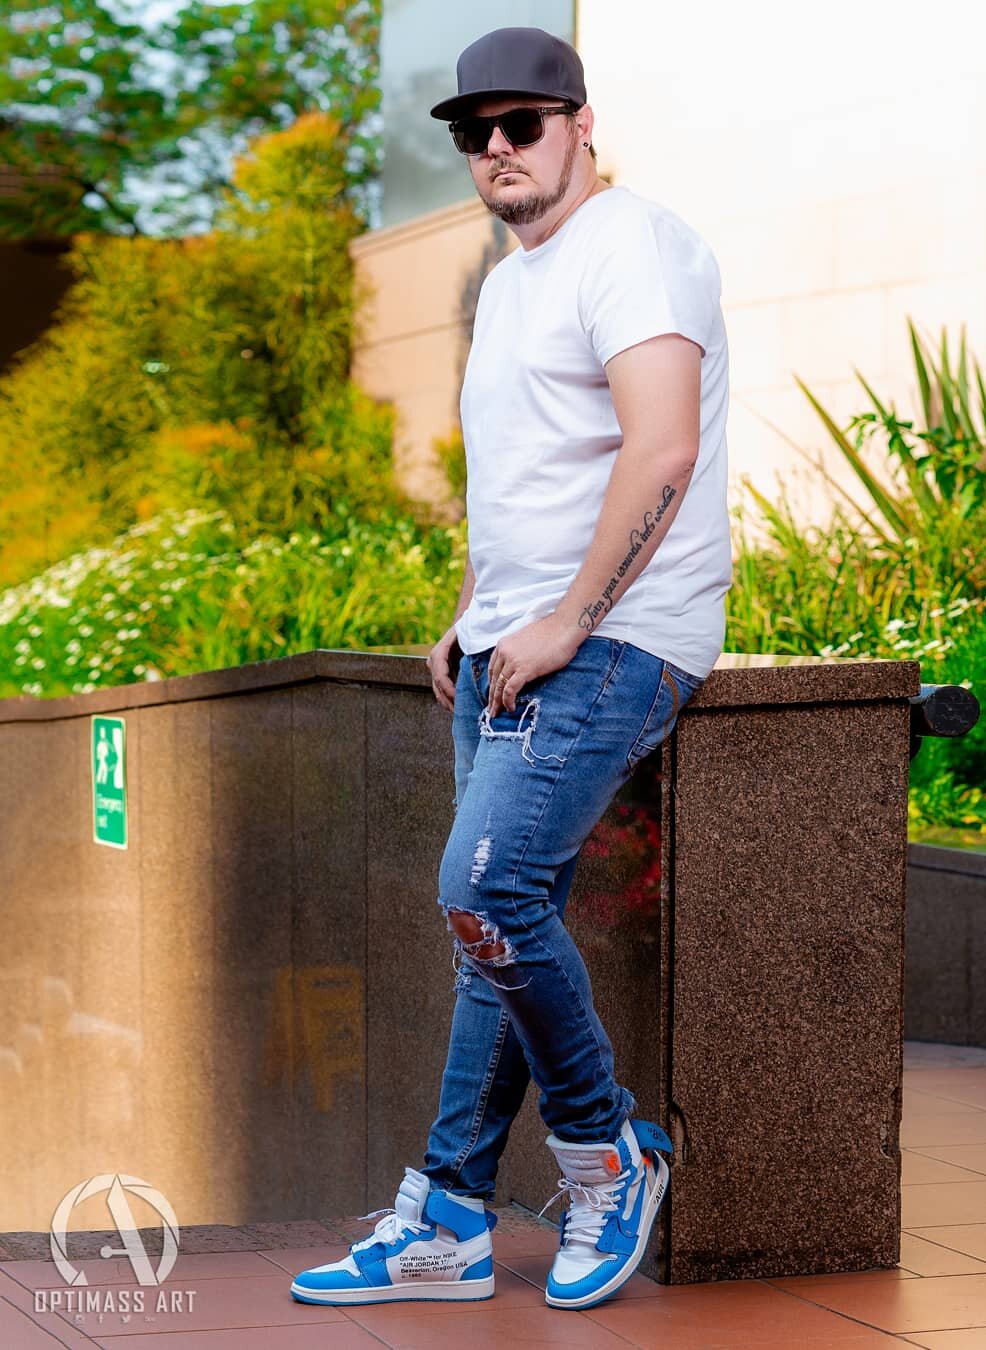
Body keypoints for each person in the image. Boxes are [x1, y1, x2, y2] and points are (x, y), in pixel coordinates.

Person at [292, 25, 731, 1313]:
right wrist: (479, 610)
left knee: (485, 894)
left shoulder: (636, 246)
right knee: (486, 937)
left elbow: (660, 452)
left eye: (520, 123)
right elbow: (534, 471)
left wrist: (568, 623)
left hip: (619, 642)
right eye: (470, 131)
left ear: (579, 122)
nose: (493, 148)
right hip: (514, 642)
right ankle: (448, 1217)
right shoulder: (515, 274)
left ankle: (610, 1160)